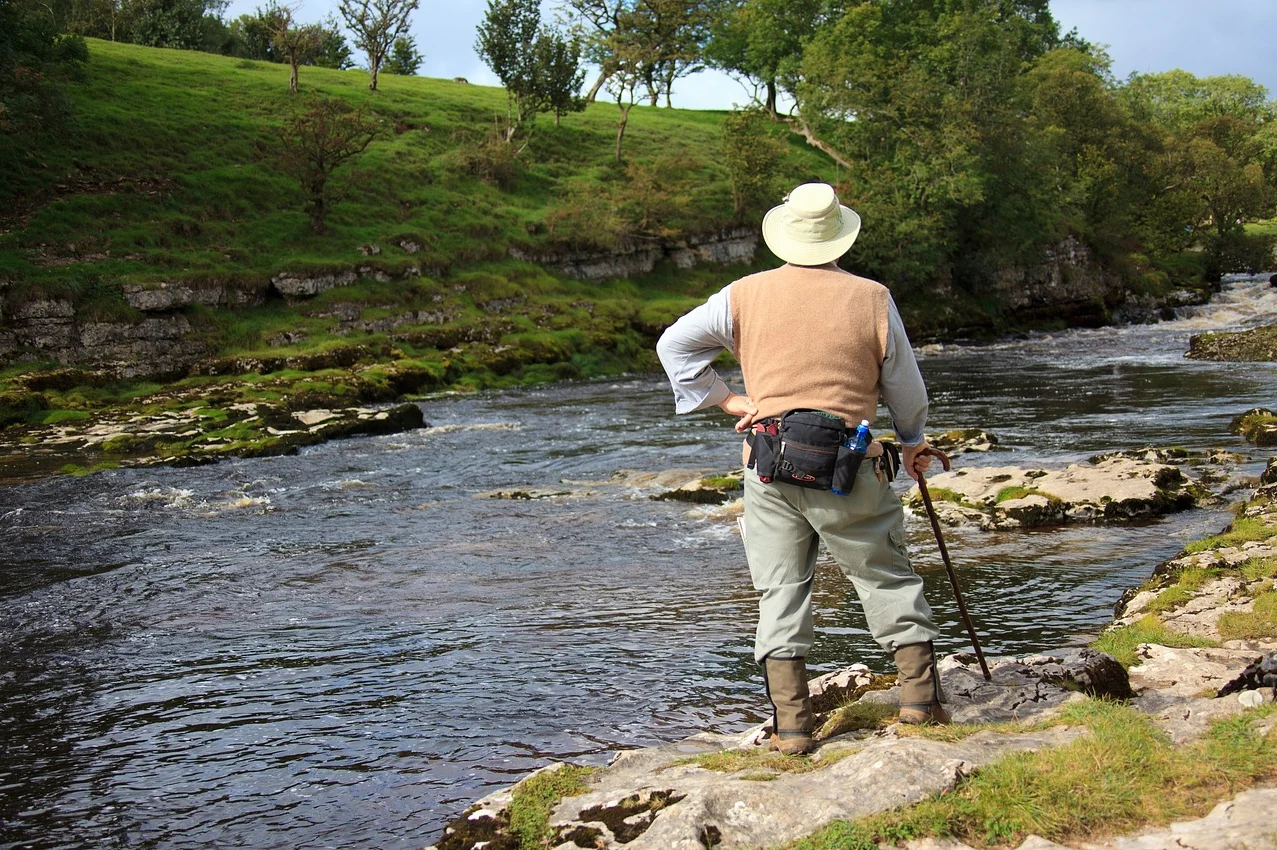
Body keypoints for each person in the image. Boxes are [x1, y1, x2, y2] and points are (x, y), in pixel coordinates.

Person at [656, 182, 949, 754]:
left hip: (768, 466)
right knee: (884, 577)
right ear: (840, 236)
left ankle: (792, 729)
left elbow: (674, 347)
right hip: (851, 467)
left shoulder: (740, 296)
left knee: (780, 592)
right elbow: (905, 387)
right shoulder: (871, 297)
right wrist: (913, 441)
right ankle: (921, 702)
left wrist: (729, 400)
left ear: (784, 234)